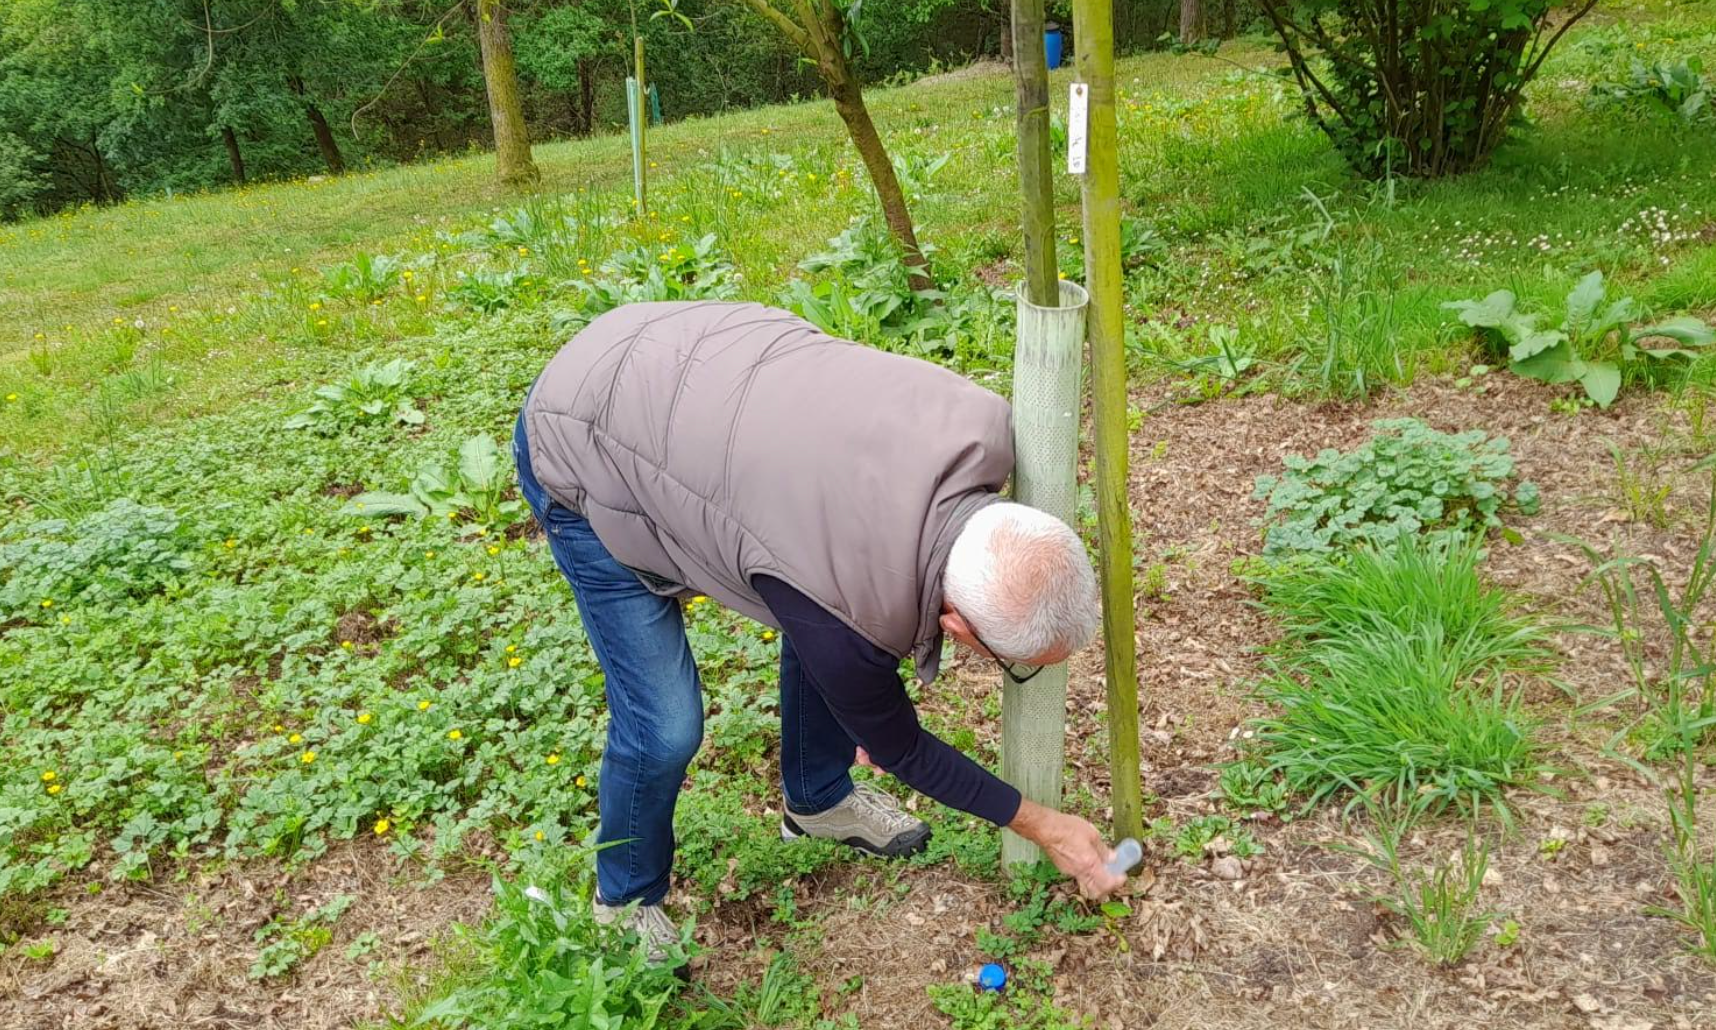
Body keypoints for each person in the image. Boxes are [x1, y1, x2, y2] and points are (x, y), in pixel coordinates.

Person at [513, 301, 1125, 964]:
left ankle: (818, 801)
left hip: (690, 359)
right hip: (583, 434)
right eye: (1019, 665)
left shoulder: (986, 427)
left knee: (822, 598)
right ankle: (624, 903)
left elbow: (839, 598)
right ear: (956, 625)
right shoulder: (849, 619)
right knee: (664, 725)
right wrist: (1047, 826)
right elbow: (903, 747)